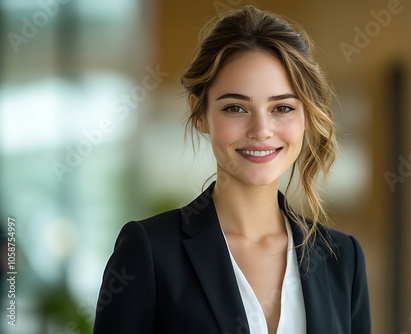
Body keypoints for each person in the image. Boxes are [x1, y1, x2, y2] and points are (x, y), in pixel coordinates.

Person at [93, 5, 370, 334]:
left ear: (306, 116)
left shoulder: (343, 259)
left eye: (282, 107)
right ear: (200, 114)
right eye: (235, 108)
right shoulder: (149, 252)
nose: (261, 129)